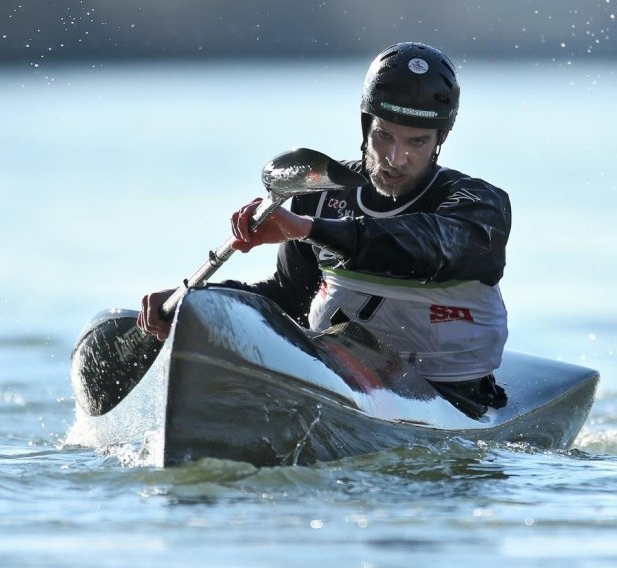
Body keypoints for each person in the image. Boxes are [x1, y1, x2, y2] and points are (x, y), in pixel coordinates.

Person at [138, 42, 511, 418]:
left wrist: (307, 229)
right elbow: (289, 299)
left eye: (416, 141)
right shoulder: (319, 194)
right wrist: (196, 303)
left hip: (453, 398)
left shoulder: (479, 205)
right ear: (366, 124)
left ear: (440, 140)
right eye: (384, 136)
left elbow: (423, 246)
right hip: (346, 378)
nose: (395, 159)